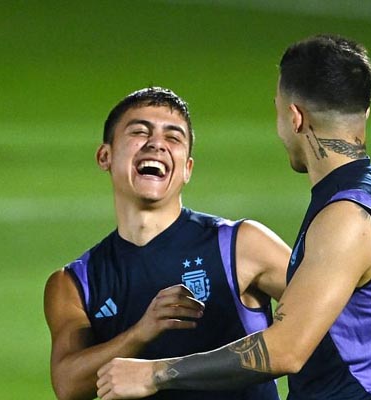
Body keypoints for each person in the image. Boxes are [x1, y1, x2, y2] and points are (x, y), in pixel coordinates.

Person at [96, 34, 371, 400]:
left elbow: (285, 350)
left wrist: (156, 373)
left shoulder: (346, 217)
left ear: (295, 118)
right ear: (365, 111)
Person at [43, 86, 291, 400]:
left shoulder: (242, 245)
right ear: (105, 156)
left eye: (173, 137)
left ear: (187, 169)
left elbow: (333, 315)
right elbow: (68, 384)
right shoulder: (75, 283)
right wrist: (140, 332)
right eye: (139, 131)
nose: (157, 144)